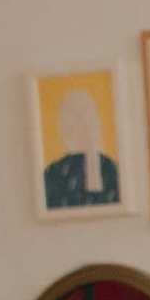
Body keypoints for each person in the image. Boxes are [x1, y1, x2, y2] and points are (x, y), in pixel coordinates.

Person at [42, 85, 121, 213]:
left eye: (73, 120)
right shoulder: (52, 172)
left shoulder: (110, 170)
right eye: (64, 120)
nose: (65, 127)